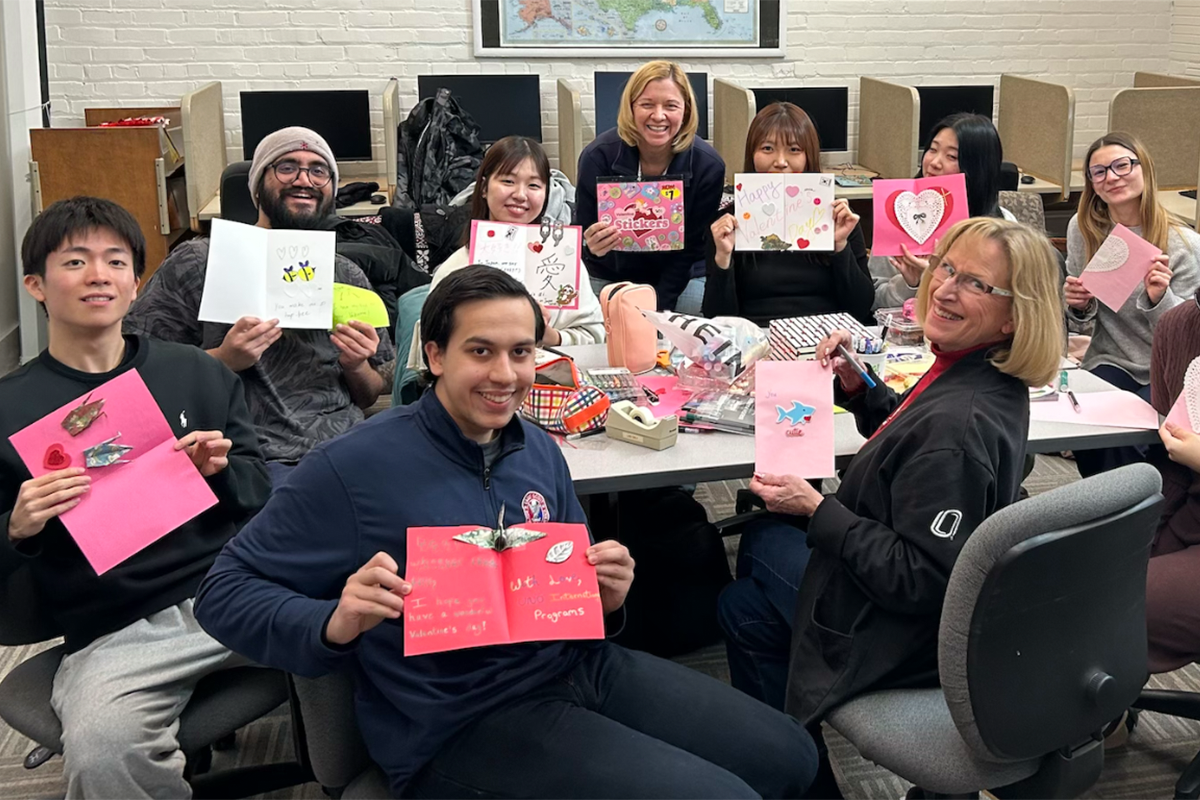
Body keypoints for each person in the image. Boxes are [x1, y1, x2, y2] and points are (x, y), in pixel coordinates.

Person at [194, 265, 817, 799]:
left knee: (791, 756)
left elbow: (570, 597)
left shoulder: (537, 449)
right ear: (435, 356)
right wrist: (334, 622)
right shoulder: (352, 466)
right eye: (480, 351)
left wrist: (604, 599)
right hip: (458, 721)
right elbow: (224, 591)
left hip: (575, 666)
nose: (505, 374)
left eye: (521, 352)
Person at [718, 218, 1061, 788]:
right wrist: (862, 387)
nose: (945, 287)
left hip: (904, 635)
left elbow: (918, 578)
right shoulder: (977, 377)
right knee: (743, 609)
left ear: (1014, 316)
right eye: (947, 267)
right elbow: (912, 445)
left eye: (976, 283)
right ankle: (795, 765)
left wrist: (815, 509)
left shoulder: (957, 429)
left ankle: (793, 772)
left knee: (759, 541)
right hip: (958, 609)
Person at [0, 197, 270, 798]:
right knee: (102, 750)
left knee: (374, 634)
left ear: (136, 282)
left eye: (116, 261)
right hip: (116, 626)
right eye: (75, 261)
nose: (99, 275)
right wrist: (18, 527)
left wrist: (218, 472)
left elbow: (257, 492)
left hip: (232, 591)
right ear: (36, 285)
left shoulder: (197, 373)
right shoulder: (9, 409)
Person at [124, 127, 395, 476]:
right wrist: (223, 359)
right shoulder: (198, 261)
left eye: (318, 170)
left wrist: (356, 366)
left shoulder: (346, 274)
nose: (304, 180)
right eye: (286, 167)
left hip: (344, 449)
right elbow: (139, 369)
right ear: (256, 187)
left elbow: (370, 394)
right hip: (246, 456)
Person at [404, 136, 604, 375]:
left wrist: (549, 335)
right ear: (485, 188)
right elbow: (431, 358)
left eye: (533, 185)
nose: (520, 195)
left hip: (555, 396)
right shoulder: (457, 268)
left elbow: (596, 338)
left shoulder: (565, 261)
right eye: (508, 181)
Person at [1065, 132, 1200, 478]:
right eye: (1099, 172)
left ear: (1145, 169)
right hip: (1110, 356)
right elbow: (1082, 321)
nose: (1111, 177)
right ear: (1092, 184)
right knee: (1088, 423)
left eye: (1122, 166)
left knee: (1136, 431)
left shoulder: (1183, 243)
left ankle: (1136, 508)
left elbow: (1185, 340)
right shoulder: (1085, 231)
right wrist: (1079, 305)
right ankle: (1104, 502)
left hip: (1165, 364)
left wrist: (1159, 298)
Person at [704, 102, 874, 326]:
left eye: (794, 150)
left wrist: (840, 247)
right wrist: (723, 259)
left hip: (826, 338)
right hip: (758, 339)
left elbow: (861, 308)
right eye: (767, 148)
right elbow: (717, 319)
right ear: (752, 154)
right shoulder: (729, 225)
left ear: (808, 155)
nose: (780, 162)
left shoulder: (838, 219)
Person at [575, 60, 725, 312]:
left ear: (686, 111)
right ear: (631, 108)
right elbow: (585, 235)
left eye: (671, 106)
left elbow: (690, 250)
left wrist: (657, 313)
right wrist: (593, 248)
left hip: (682, 272)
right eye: (646, 104)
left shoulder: (707, 166)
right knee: (602, 333)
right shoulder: (597, 157)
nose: (658, 115)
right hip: (611, 271)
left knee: (684, 328)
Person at [872, 113, 1013, 310]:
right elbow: (874, 301)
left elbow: (1006, 304)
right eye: (932, 149)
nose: (934, 162)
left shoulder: (1002, 227)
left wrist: (937, 278)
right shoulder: (898, 213)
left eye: (952, 157)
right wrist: (911, 284)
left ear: (978, 168)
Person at [1144, 296, 1200, 672]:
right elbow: (1171, 459)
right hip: (1188, 509)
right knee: (1072, 572)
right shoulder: (1181, 325)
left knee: (1111, 602)